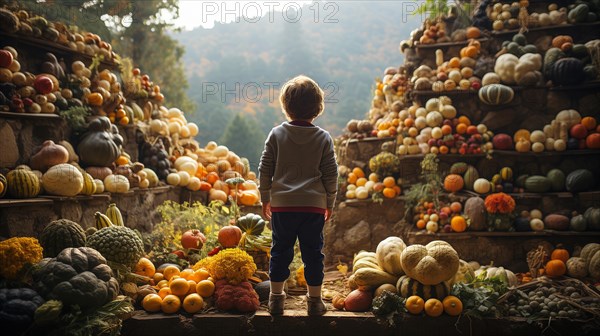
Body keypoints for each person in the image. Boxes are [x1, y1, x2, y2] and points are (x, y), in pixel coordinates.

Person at [258, 75, 338, 316]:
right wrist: (329, 202)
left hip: (283, 206)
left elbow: (265, 168)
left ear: (286, 106)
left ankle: (276, 300)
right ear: (318, 108)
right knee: (313, 253)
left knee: (280, 251)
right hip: (313, 207)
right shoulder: (323, 138)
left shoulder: (276, 134)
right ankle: (314, 302)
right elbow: (331, 175)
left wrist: (265, 197)